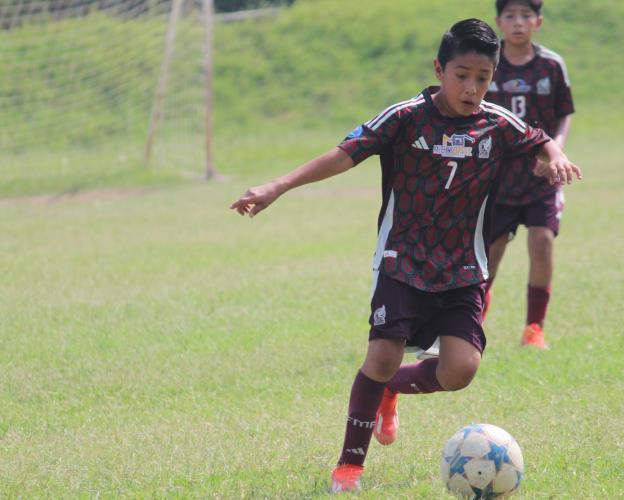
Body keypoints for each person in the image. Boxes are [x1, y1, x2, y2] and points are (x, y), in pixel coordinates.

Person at [230, 18, 581, 493]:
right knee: (382, 354)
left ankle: (393, 388)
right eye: (461, 74)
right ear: (439, 69)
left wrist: (555, 157)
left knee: (460, 370)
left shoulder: (498, 125)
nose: (471, 87)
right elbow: (343, 153)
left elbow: (541, 139)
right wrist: (278, 186)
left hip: (463, 268)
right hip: (403, 259)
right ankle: (349, 466)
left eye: (482, 77)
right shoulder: (405, 116)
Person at [484, 0, 575, 349]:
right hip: (496, 179)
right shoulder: (487, 64)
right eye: (510, 16)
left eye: (525, 16)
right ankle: (472, 322)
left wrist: (556, 152)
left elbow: (564, 114)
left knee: (542, 241)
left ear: (538, 21)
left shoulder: (551, 65)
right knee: (489, 253)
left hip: (541, 176)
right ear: (499, 22)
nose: (518, 22)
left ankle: (534, 328)